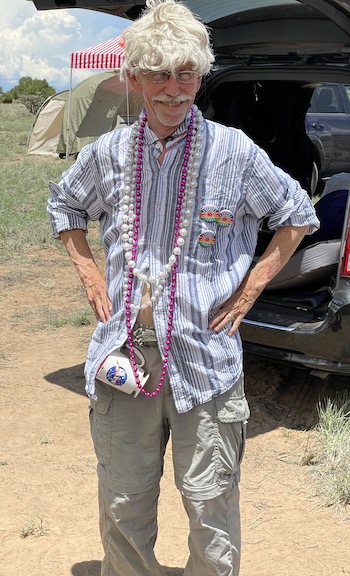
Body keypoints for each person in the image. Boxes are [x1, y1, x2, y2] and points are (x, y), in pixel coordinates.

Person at [47, 1, 319, 575]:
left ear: (201, 76)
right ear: (134, 78)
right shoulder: (108, 154)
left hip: (205, 361)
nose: (173, 90)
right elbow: (64, 203)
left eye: (186, 74)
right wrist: (89, 271)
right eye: (159, 74)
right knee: (123, 505)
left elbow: (296, 214)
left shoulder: (234, 152)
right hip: (124, 358)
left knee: (210, 505)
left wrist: (250, 290)